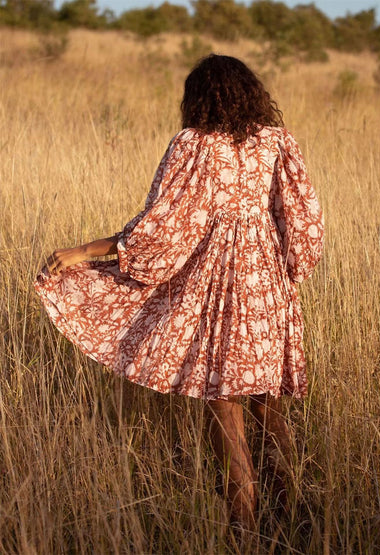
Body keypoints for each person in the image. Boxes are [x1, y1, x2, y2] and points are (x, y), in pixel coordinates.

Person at [34, 54, 324, 533]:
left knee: (225, 410)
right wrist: (286, 275)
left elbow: (162, 229)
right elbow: (304, 224)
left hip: (220, 289)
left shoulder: (194, 145)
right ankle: (295, 525)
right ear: (251, 93)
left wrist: (87, 250)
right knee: (268, 407)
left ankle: (244, 533)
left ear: (199, 98)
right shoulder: (278, 143)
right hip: (268, 289)